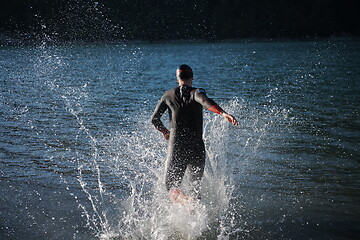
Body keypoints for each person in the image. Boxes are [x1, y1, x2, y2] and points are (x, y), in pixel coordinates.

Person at [151, 64, 238, 201]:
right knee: (195, 188)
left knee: (171, 186)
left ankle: (185, 203)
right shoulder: (196, 92)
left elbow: (155, 120)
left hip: (176, 146)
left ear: (177, 78)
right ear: (192, 77)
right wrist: (222, 113)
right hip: (196, 147)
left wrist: (165, 132)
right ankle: (196, 213)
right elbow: (205, 101)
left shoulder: (167, 95)